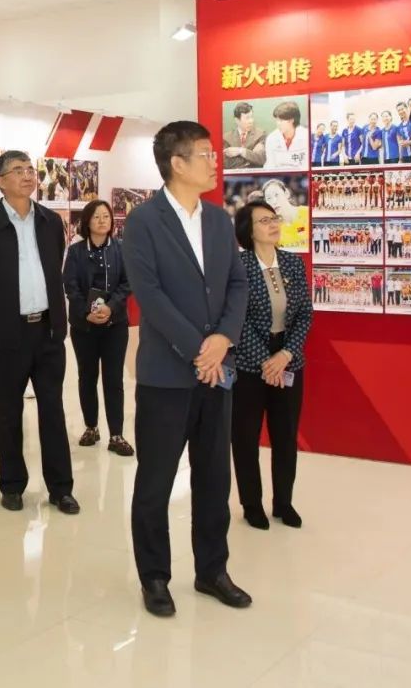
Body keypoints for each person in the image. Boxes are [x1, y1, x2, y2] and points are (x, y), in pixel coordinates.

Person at [122, 120, 252, 618]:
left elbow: (237, 284)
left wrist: (223, 339)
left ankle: (212, 570)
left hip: (217, 372)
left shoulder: (218, 220)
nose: (215, 161)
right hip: (167, 375)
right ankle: (154, 576)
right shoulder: (143, 221)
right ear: (177, 164)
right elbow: (150, 296)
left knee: (215, 478)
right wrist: (200, 349)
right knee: (155, 481)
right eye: (205, 153)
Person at [0, 150, 79, 515]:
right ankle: (12, 485)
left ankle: (61, 488)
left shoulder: (50, 222)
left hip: (47, 332)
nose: (28, 175)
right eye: (17, 170)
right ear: (0, 181)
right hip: (8, 336)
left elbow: (54, 267)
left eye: (30, 169)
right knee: (9, 412)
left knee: (53, 411)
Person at [230, 198, 313, 530]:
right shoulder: (239, 266)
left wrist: (285, 354)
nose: (274, 224)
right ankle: (252, 504)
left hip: (288, 360)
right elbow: (237, 319)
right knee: (245, 436)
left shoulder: (292, 263)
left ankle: (284, 503)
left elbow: (304, 314)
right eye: (264, 221)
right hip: (250, 363)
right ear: (249, 231)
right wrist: (267, 360)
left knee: (285, 435)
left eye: (274, 218)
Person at [62, 199, 134, 457]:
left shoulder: (121, 249)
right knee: (87, 376)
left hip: (115, 325)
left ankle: (116, 434)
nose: (102, 221)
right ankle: (91, 427)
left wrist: (110, 308)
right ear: (87, 221)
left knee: (114, 378)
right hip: (85, 326)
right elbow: (70, 286)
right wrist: (87, 312)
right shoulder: (76, 251)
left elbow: (128, 283)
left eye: (106, 216)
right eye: (96, 216)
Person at [264, 101, 309, 170]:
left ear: (291, 120)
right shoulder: (271, 138)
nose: (278, 123)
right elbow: (270, 164)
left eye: (281, 120)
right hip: (278, 174)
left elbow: (307, 165)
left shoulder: (306, 136)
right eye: (277, 120)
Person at [222, 101, 266, 170]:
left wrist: (241, 151)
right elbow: (227, 165)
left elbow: (261, 159)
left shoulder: (260, 134)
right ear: (237, 120)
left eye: (251, 117)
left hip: (254, 175)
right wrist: (251, 156)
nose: (251, 121)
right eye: (247, 118)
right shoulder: (226, 138)